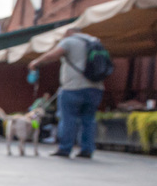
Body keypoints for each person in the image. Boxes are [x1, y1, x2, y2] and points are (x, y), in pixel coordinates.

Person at [29, 28, 106, 159]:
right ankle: (87, 149)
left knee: (68, 118)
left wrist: (36, 62)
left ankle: (65, 148)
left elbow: (52, 55)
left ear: (68, 33)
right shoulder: (96, 42)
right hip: (96, 88)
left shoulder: (70, 41)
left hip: (73, 87)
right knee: (88, 119)